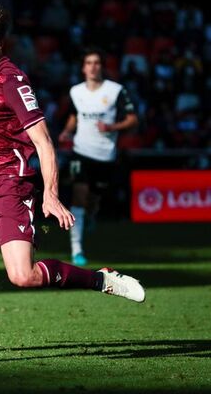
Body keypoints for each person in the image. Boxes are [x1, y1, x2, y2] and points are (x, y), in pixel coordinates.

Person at [0, 3, 145, 367]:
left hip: (9, 189)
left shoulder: (12, 80)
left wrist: (50, 195)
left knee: (23, 276)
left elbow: (43, 141)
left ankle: (100, 280)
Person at [59, 47, 138, 266]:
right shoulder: (76, 91)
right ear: (83, 68)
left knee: (93, 200)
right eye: (89, 63)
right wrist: (67, 130)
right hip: (81, 151)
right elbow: (75, 115)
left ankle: (91, 216)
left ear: (102, 66)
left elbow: (133, 119)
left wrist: (112, 126)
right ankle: (77, 250)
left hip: (105, 155)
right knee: (79, 196)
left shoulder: (115, 91)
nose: (93, 67)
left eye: (97, 62)